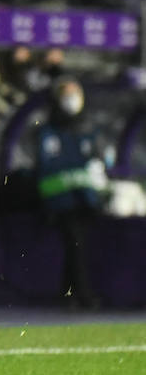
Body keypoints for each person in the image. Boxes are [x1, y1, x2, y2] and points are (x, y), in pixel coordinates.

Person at [34, 77, 106, 309]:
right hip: (60, 202)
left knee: (78, 247)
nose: (73, 100)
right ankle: (81, 294)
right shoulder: (49, 131)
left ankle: (71, 293)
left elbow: (97, 162)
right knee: (75, 244)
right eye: (67, 94)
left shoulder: (88, 128)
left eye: (76, 93)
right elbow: (49, 168)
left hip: (85, 200)